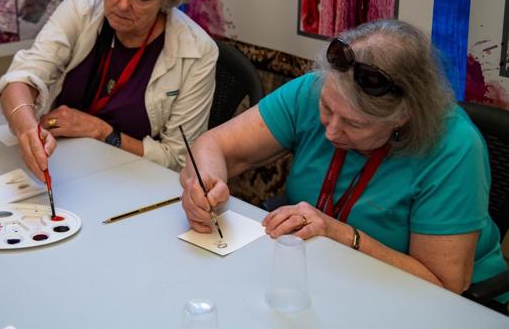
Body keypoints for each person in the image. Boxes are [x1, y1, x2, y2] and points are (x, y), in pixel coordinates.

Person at [180, 20, 507, 296]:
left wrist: (342, 235)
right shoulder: (315, 89)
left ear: (402, 117)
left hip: (417, 299)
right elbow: (215, 145)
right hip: (325, 277)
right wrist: (207, 183)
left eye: (354, 124)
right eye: (326, 108)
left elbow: (444, 285)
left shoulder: (453, 148)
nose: (332, 131)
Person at [0, 0, 218, 179]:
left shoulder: (198, 51)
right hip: (64, 166)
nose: (123, 4)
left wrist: (101, 131)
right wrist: (27, 130)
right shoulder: (82, 5)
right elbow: (21, 78)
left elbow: (179, 160)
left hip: (137, 180)